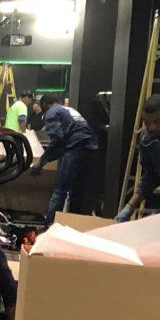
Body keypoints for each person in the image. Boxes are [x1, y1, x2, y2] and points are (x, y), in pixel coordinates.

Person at [35, 92, 100, 226]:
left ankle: (49, 227)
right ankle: (73, 225)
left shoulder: (51, 112)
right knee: (78, 190)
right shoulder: (69, 110)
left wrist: (41, 162)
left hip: (75, 147)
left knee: (60, 190)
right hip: (91, 148)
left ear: (44, 104)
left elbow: (58, 139)